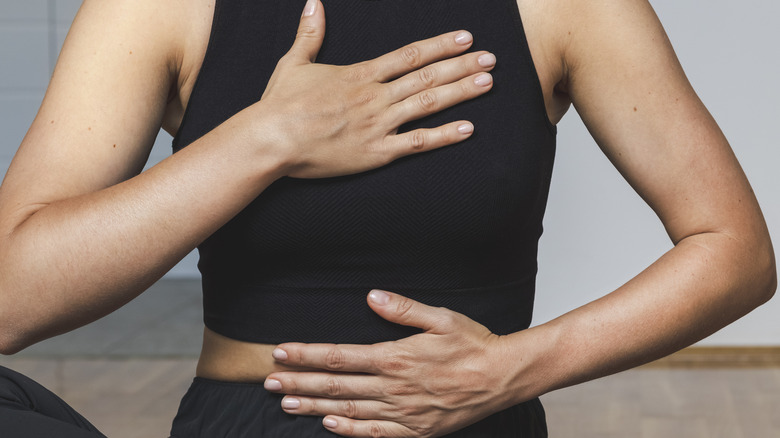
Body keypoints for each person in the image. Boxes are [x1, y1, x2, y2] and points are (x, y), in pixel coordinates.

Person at [0, 0, 775, 437]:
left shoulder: (565, 7)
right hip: (251, 422)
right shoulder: (160, 9)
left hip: (474, 422)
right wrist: (266, 139)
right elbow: (10, 300)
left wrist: (515, 368)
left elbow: (735, 249)